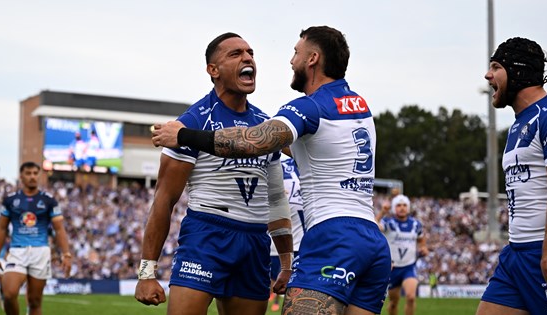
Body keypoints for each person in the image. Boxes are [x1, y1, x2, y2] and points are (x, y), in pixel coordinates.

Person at [151, 25, 392, 315]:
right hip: (372, 241)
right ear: (212, 69)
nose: (291, 61)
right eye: (238, 53)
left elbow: (254, 142)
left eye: (296, 53)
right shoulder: (359, 106)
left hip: (333, 236)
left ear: (312, 59)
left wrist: (183, 134)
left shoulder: (309, 107)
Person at [134, 32, 294, 315]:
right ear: (213, 70)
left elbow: (275, 200)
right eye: (235, 54)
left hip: (255, 243)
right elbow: (164, 198)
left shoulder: (264, 127)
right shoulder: (193, 121)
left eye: (250, 53)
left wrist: (285, 262)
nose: (247, 58)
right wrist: (147, 272)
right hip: (207, 236)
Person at [476, 37, 547, 314]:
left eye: (495, 66)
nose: (487, 75)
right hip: (516, 255)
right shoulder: (518, 124)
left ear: (518, 72)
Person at [0, 161, 72, 315]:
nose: (32, 177)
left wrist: (66, 254)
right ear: (21, 176)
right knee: (9, 294)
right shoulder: (10, 200)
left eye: (35, 173)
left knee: (35, 302)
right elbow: (1, 228)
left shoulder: (49, 200)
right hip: (17, 251)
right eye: (28, 173)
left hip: (40, 253)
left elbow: (59, 229)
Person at [375, 194, 428, 315]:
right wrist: (382, 211)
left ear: (408, 207)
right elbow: (374, 226)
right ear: (394, 208)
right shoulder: (388, 222)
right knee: (394, 302)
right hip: (393, 267)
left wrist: (423, 247)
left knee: (410, 297)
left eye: (404, 205)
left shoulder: (416, 224)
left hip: (409, 266)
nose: (402, 208)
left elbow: (421, 238)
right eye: (398, 205)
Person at [268, 157, 306, 312]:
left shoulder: (303, 159)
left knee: (292, 285)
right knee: (276, 278)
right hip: (276, 240)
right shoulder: (272, 157)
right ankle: (275, 299)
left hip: (300, 241)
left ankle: (278, 301)